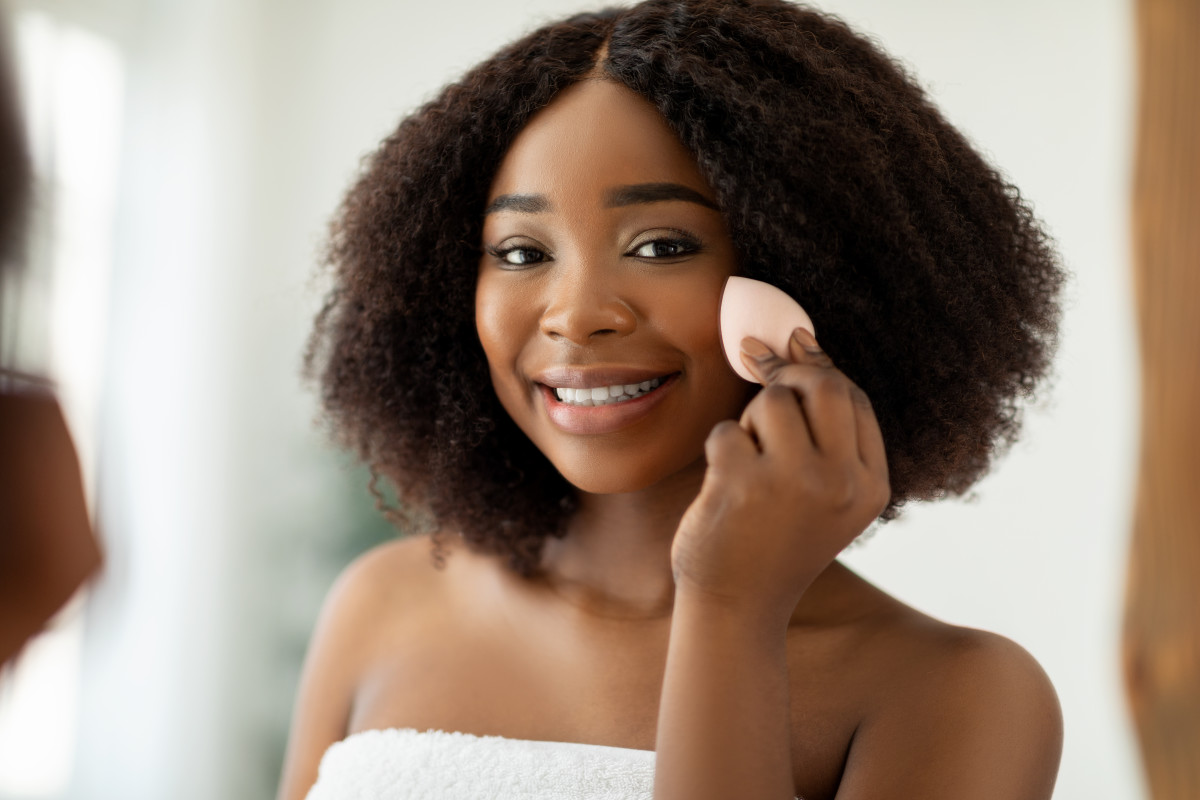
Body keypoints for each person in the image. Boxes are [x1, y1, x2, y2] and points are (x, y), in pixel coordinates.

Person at [280, 1, 1067, 797]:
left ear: (816, 274)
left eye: (662, 246)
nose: (578, 314)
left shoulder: (955, 694)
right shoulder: (383, 602)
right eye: (520, 252)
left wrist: (729, 609)